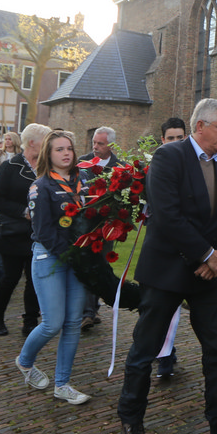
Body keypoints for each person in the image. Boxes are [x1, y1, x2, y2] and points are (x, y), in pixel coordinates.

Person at [116, 98, 217, 434]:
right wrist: (205, 253)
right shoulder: (169, 157)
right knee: (145, 349)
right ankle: (131, 418)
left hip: (209, 275)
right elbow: (167, 215)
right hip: (166, 271)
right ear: (200, 126)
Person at [14, 130, 91, 405]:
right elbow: (43, 231)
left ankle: (63, 384)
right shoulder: (41, 186)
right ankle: (25, 361)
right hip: (50, 258)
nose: (66, 153)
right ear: (48, 153)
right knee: (53, 323)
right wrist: (70, 254)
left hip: (77, 258)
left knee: (73, 323)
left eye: (69, 148)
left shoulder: (84, 181)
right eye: (59, 149)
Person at [0, 123, 50, 337]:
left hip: (39, 233)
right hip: (13, 233)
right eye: (46, 140)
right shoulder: (10, 166)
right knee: (10, 278)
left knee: (35, 279)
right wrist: (24, 211)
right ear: (32, 143)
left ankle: (30, 321)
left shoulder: (48, 167)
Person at [153, 116, 189, 377]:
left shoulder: (196, 166)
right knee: (164, 304)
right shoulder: (156, 166)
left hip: (190, 245)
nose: (176, 142)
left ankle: (166, 352)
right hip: (163, 247)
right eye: (171, 138)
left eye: (180, 138)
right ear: (162, 140)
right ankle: (164, 354)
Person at [80, 125, 121, 332]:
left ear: (111, 145)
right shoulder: (82, 163)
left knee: (101, 266)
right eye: (94, 142)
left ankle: (93, 308)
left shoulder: (120, 168)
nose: (95, 147)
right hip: (85, 224)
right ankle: (87, 312)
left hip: (108, 226)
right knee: (87, 264)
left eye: (100, 144)